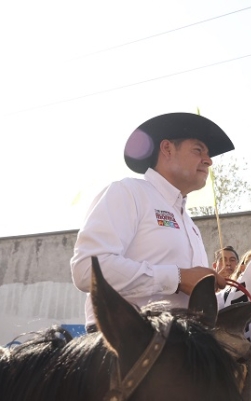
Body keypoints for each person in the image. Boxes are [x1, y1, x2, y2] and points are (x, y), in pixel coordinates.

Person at [70, 112, 235, 332]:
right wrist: (177, 278)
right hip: (124, 346)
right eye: (198, 150)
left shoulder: (190, 225)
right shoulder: (128, 192)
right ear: (167, 149)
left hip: (182, 347)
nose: (209, 160)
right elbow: (86, 270)